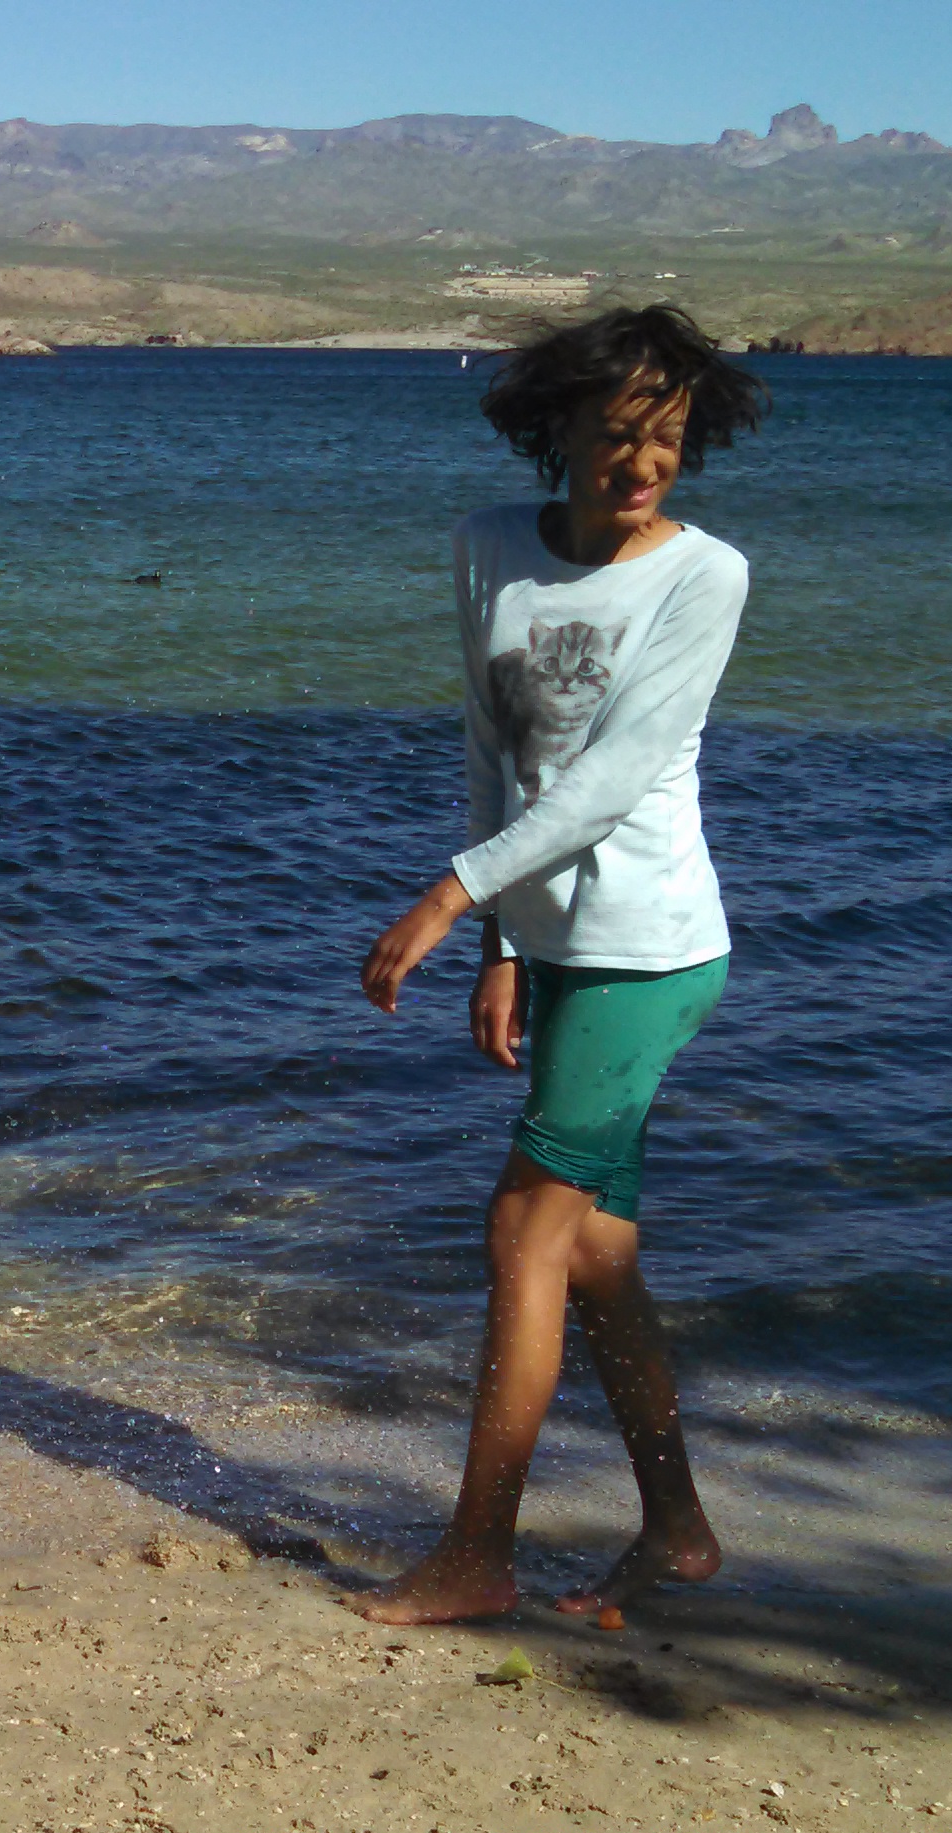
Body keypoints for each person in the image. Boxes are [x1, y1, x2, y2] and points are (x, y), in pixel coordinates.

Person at [350, 305, 768, 1624]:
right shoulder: (490, 547)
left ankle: (478, 1553)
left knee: (523, 1231)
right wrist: (502, 942)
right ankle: (680, 1530)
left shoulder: (704, 577)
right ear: (560, 431)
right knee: (589, 1252)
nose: (645, 463)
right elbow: (497, 754)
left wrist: (445, 897)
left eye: (670, 437)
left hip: (650, 952)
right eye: (619, 433)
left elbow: (611, 782)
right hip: (561, 946)